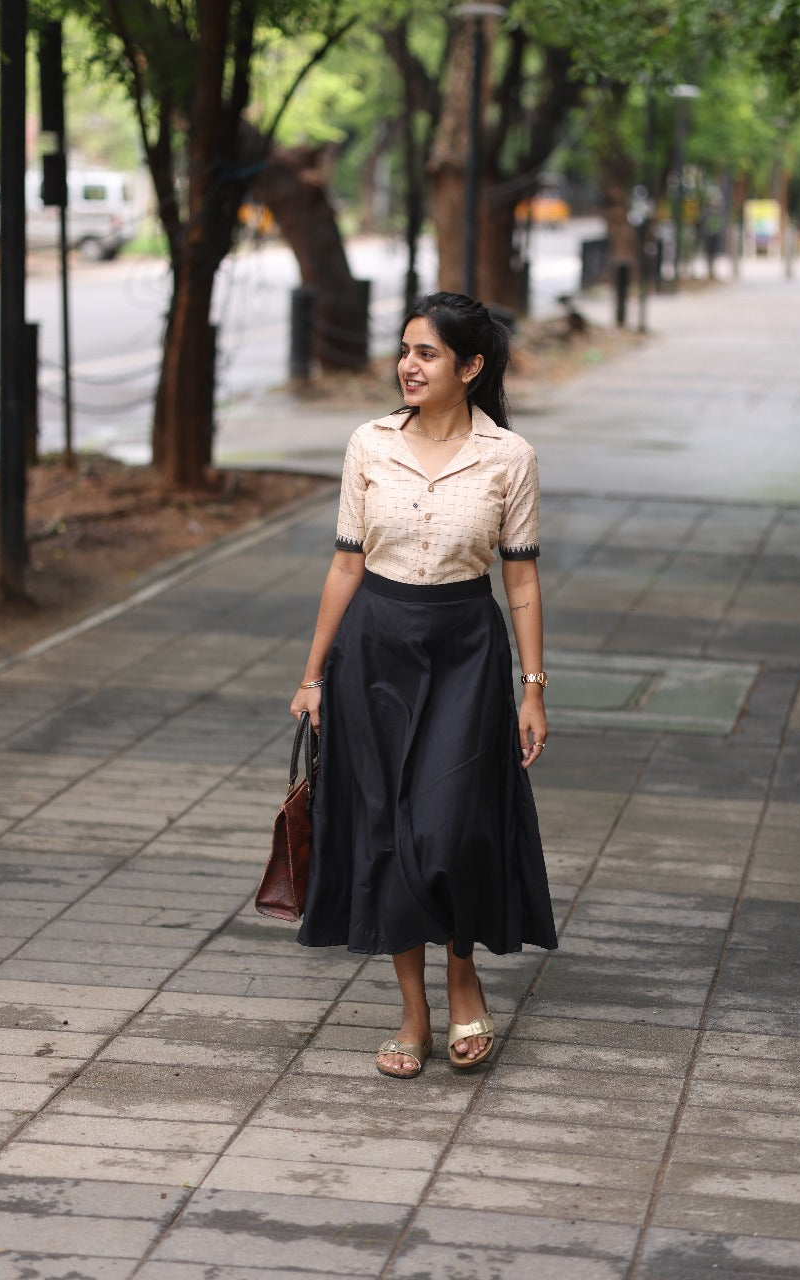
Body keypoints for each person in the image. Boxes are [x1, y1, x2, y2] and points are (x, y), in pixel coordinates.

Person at [290, 291, 557, 1080]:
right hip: (373, 652)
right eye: (406, 350)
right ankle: (413, 1013)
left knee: (448, 828)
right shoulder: (368, 445)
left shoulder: (509, 457)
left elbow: (523, 585)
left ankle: (462, 971)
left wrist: (533, 688)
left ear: (471, 368)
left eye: (428, 353)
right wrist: (312, 676)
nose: (409, 365)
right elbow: (344, 565)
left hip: (466, 653)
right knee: (384, 830)